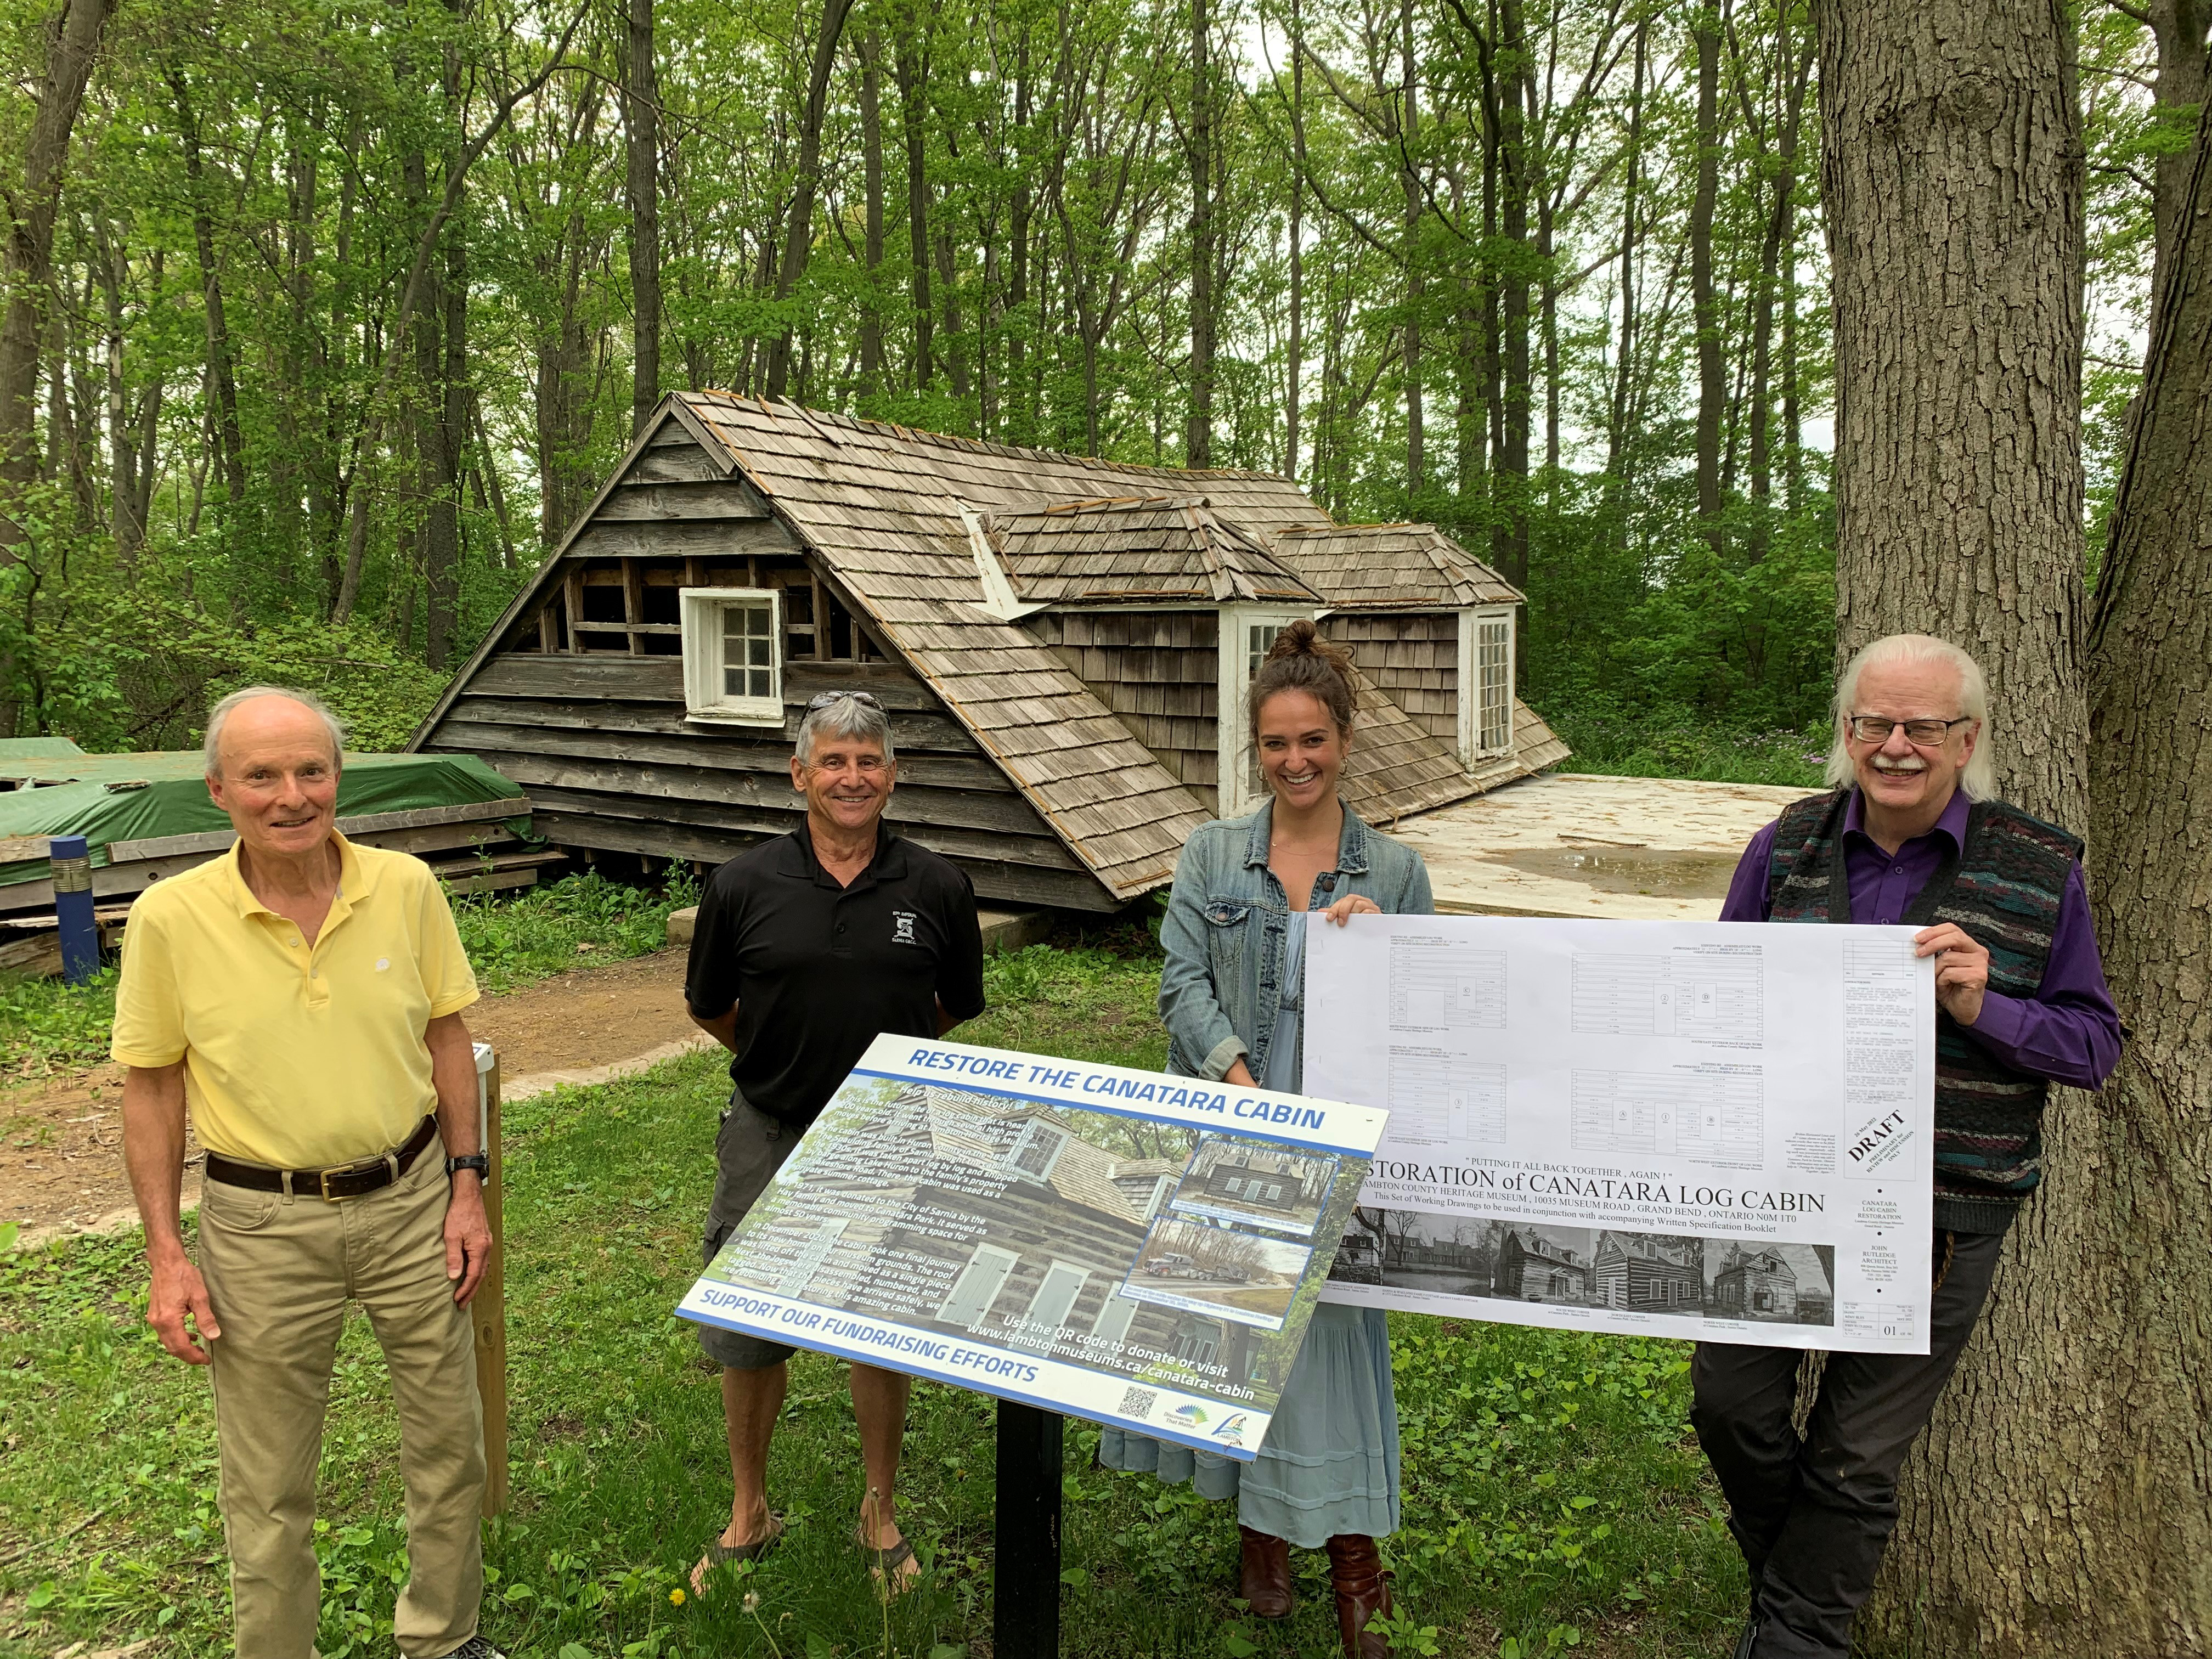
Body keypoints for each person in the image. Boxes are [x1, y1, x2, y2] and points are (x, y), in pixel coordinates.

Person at [1695, 633, 2123, 1659]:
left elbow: (2095, 1045)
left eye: (1921, 727)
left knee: (1853, 1460)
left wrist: (1987, 1005)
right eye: (1873, 724)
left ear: (1965, 738)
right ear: (1846, 734)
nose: (1894, 746)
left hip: (1940, 1210)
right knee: (1729, 1405)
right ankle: (1798, 1602)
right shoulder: (1787, 845)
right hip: (1782, 1193)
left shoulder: (2036, 867)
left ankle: (1794, 1643)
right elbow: (1712, 999)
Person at [115, 687, 500, 1659]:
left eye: (312, 771)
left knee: (451, 1447)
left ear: (338, 778)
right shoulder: (171, 917)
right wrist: (167, 1255)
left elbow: (448, 1039)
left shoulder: (406, 886)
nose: (291, 795)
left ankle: (443, 1639)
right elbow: (153, 1090)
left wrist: (466, 1186)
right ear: (217, 791)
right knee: (270, 1481)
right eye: (262, 775)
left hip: (416, 1202)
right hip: (260, 1225)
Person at [1100, 621, 1432, 1659]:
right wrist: (1242, 1084)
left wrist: (1385, 947)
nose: (1296, 761)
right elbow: (1180, 984)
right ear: (1257, 749)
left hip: (1341, 1141)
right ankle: (1259, 1531)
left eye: (1314, 741)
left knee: (1329, 1343)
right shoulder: (1211, 855)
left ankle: (1354, 1565)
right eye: (1277, 744)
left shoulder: (1398, 867)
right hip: (1231, 1122)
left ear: (1345, 739)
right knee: (1241, 1328)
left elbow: (1430, 1012)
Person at [683, 689, 986, 1596]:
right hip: (767, 1131)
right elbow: (711, 1008)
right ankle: (749, 1510)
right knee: (747, 1327)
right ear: (800, 774)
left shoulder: (936, 885)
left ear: (891, 776)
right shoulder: (742, 884)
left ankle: (879, 1507)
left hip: (893, 1137)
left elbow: (950, 1008)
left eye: (868, 761)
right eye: (834, 761)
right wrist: (785, 1063)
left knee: (880, 1323)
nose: (851, 778)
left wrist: (868, 1085)